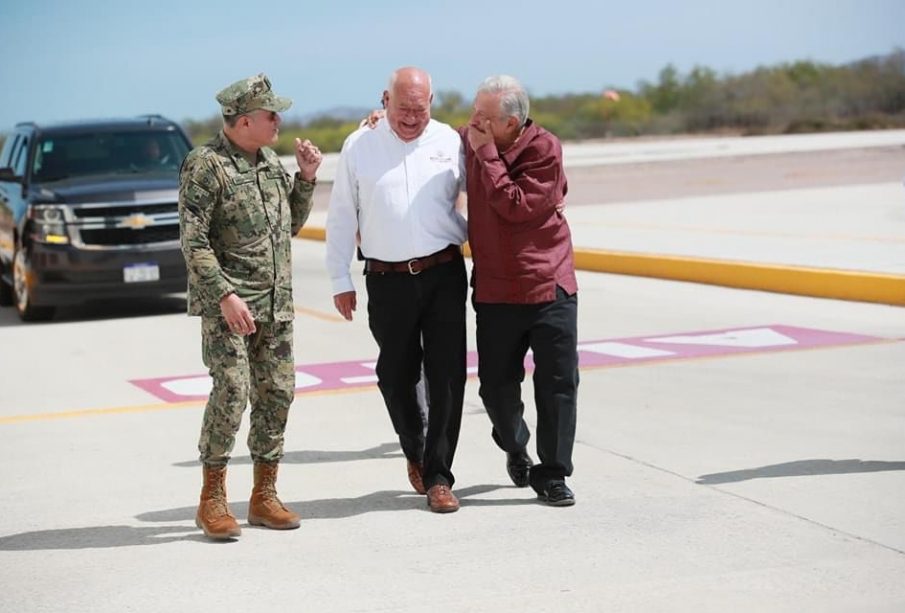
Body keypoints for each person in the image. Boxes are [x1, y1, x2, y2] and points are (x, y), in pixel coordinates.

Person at [178, 73, 322, 539]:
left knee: (278, 394)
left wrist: (305, 179)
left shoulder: (270, 162)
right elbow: (193, 240)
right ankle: (212, 498)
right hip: (230, 307)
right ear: (244, 121)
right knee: (232, 392)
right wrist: (224, 294)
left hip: (275, 306)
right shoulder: (206, 166)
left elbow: (289, 227)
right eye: (271, 114)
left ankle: (264, 495)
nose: (279, 120)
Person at [326, 66, 467, 513]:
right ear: (384, 101)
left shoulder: (450, 142)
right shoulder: (359, 144)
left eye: (419, 109)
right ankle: (415, 448)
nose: (411, 117)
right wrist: (339, 277)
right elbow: (342, 213)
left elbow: (487, 194)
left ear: (432, 103)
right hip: (386, 279)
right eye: (402, 108)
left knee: (446, 376)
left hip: (443, 271)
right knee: (396, 374)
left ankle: (439, 477)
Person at [464, 75, 579, 506]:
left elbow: (515, 205)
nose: (474, 121)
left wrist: (486, 156)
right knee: (495, 388)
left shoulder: (543, 148)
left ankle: (552, 474)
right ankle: (516, 445)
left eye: (484, 116)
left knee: (558, 384)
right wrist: (385, 122)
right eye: (474, 110)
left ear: (511, 123)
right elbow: (426, 142)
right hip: (496, 290)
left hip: (549, 284)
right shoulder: (473, 139)